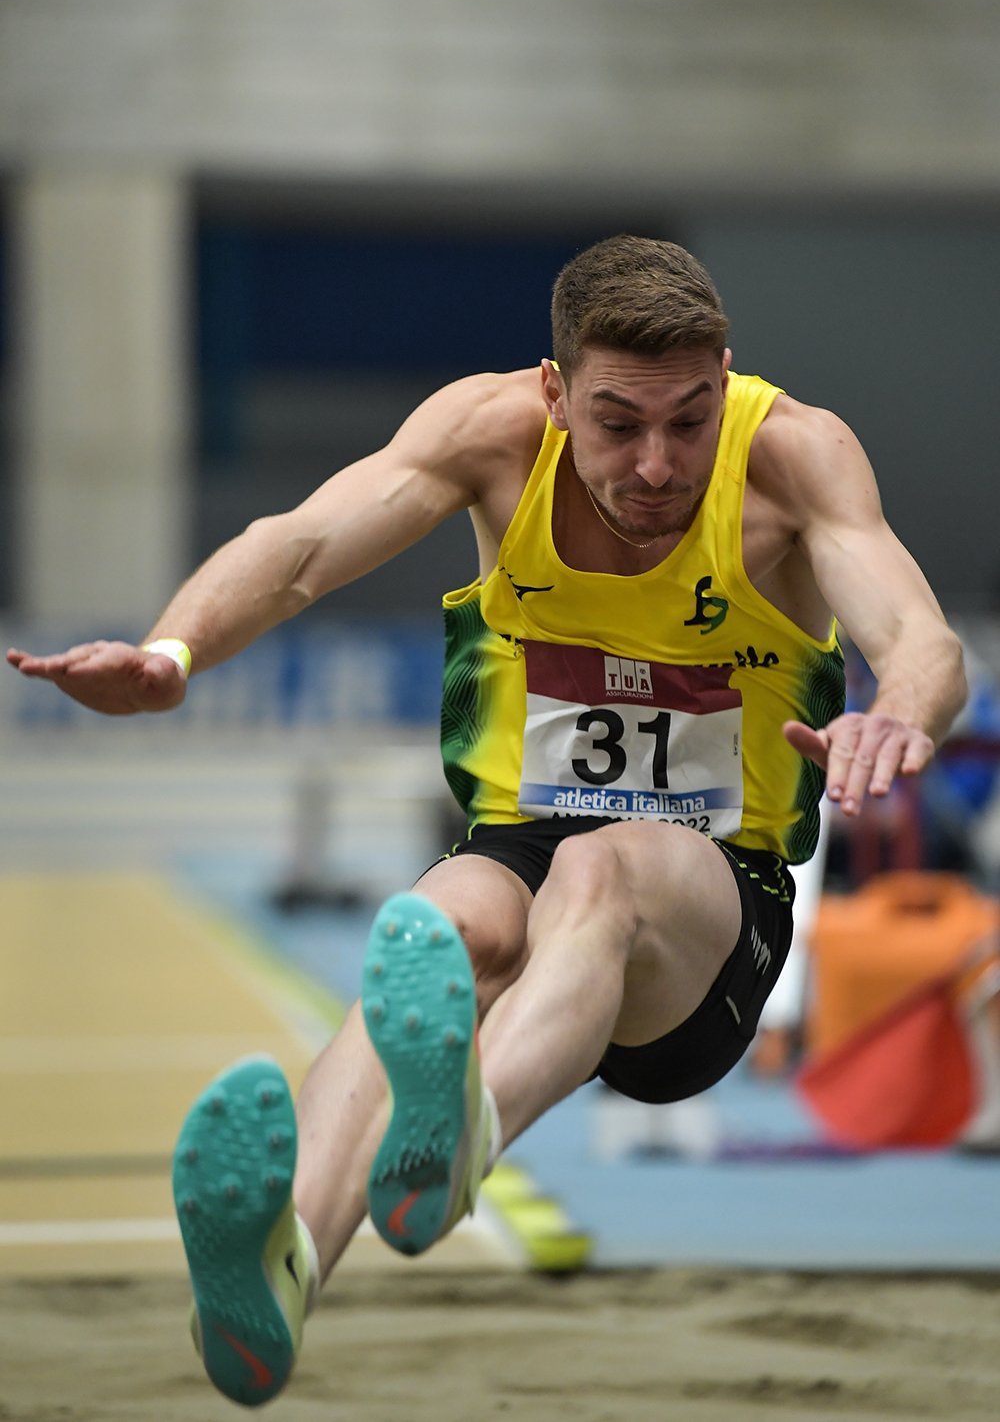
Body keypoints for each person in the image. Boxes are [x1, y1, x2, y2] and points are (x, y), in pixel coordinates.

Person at [8, 236, 965, 1407]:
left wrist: (897, 712)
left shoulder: (795, 457)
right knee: (435, 926)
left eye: (689, 420)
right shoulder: (487, 434)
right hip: (519, 843)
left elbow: (918, 638)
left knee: (606, 871)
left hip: (709, 908)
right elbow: (300, 548)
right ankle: (282, 1266)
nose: (657, 463)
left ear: (725, 378)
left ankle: (463, 1139)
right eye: (617, 423)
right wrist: (173, 652)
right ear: (554, 395)